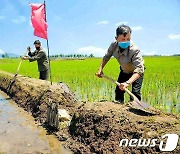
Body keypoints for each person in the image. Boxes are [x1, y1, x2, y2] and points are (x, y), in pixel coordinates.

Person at [96, 25, 144, 103]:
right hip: (124, 71)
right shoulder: (113, 45)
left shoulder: (134, 50)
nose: (125, 41)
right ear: (116, 38)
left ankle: (137, 111)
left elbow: (139, 69)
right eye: (123, 39)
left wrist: (127, 83)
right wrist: (100, 69)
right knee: (119, 91)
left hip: (136, 73)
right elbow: (106, 57)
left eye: (128, 39)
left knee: (135, 93)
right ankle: (119, 111)